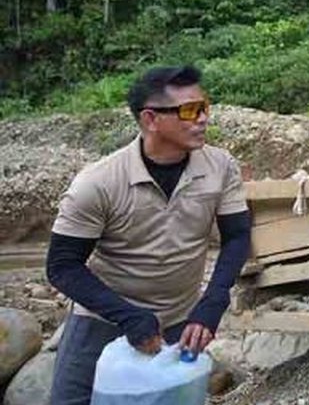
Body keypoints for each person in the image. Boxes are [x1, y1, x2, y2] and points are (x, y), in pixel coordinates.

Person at [45, 65, 252, 405]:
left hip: (178, 322)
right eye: (189, 110)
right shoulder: (98, 183)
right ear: (151, 119)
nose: (202, 119)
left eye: (204, 107)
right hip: (101, 319)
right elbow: (62, 266)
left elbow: (238, 235)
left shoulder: (219, 167)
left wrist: (213, 301)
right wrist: (127, 315)